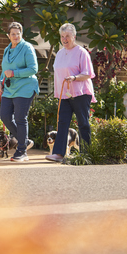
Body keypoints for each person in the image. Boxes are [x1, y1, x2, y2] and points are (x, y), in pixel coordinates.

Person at [45, 23, 96, 162]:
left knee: (83, 123)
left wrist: (74, 77)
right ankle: (59, 154)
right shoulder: (60, 53)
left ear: (74, 36)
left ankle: (86, 153)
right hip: (64, 94)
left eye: (67, 36)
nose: (64, 39)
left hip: (80, 93)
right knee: (62, 123)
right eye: (62, 36)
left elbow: (88, 74)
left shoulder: (81, 52)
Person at [0, 22, 39, 162]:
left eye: (18, 33)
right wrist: (0, 81)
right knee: (5, 116)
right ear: (8, 36)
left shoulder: (27, 47)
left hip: (26, 87)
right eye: (13, 34)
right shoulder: (7, 50)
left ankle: (22, 152)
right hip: (10, 89)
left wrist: (14, 73)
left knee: (20, 118)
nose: (16, 36)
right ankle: (24, 141)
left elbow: (33, 69)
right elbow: (5, 69)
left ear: (22, 34)